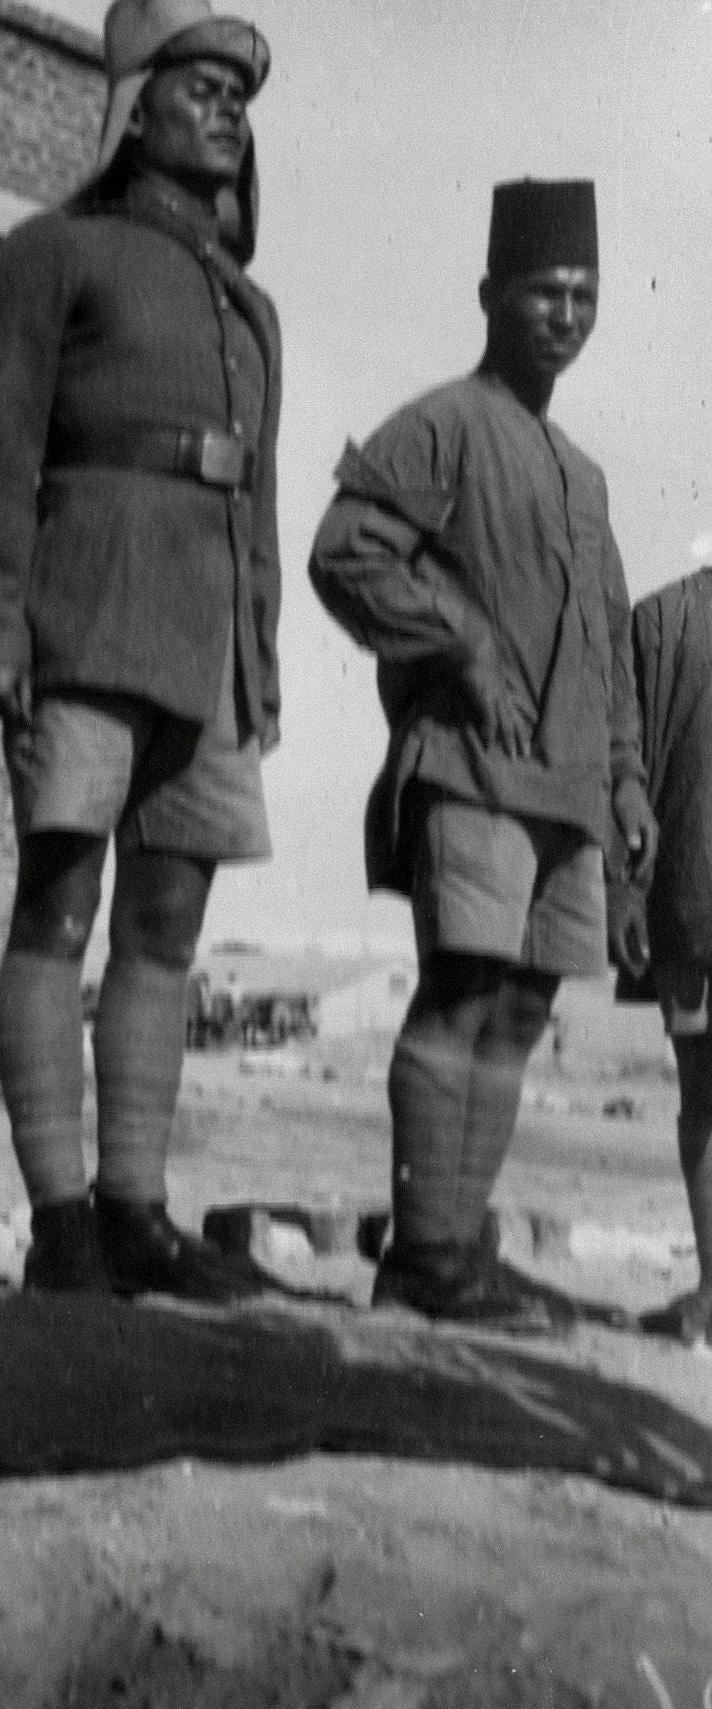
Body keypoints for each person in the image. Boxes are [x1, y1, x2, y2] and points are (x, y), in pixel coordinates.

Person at [0, 0, 282, 1299]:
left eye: (238, 98)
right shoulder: (52, 254)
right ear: (133, 111)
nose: (227, 114)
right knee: (57, 910)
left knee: (165, 929)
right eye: (200, 89)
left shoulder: (249, 309)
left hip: (206, 654)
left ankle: (137, 1211)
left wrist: (258, 655)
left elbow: (256, 499)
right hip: (85, 617)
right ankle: (61, 1221)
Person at [309, 178, 657, 1330]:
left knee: (517, 1015)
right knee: (459, 996)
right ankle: (422, 1252)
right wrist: (458, 641)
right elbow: (346, 550)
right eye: (544, 291)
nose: (565, 314)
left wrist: (624, 777)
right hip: (470, 765)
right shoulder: (443, 423)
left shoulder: (582, 474)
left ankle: (454, 1251)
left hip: (567, 790)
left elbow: (606, 639)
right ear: (489, 295)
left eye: (584, 295)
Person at [609, 568, 712, 1345]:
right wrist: (625, 889)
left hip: (685, 902)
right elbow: (624, 771)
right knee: (702, 1101)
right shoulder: (657, 623)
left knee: (702, 1102)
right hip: (687, 901)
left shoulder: (661, 619)